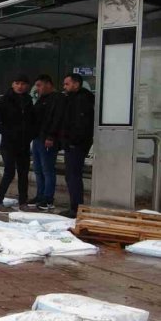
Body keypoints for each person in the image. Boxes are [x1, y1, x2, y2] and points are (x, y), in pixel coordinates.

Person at [0, 74, 36, 213]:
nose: (20, 86)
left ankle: (23, 202)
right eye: (17, 83)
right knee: (9, 172)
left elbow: (32, 121)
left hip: (24, 143)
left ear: (27, 86)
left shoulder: (28, 101)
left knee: (23, 173)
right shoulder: (4, 100)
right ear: (13, 84)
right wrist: (8, 132)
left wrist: (30, 134)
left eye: (23, 84)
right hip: (9, 143)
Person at [57, 73, 95, 218]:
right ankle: (74, 206)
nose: (64, 87)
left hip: (76, 144)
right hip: (72, 143)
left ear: (76, 84)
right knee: (71, 176)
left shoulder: (81, 100)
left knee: (73, 176)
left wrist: (72, 141)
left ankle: (76, 208)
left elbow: (80, 124)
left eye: (67, 84)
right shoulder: (72, 98)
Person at [29, 75, 63, 211]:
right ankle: (40, 195)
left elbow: (56, 119)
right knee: (38, 169)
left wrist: (51, 136)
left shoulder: (57, 98)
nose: (37, 88)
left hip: (48, 139)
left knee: (47, 169)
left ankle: (48, 198)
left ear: (48, 84)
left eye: (39, 85)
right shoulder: (41, 99)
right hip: (37, 138)